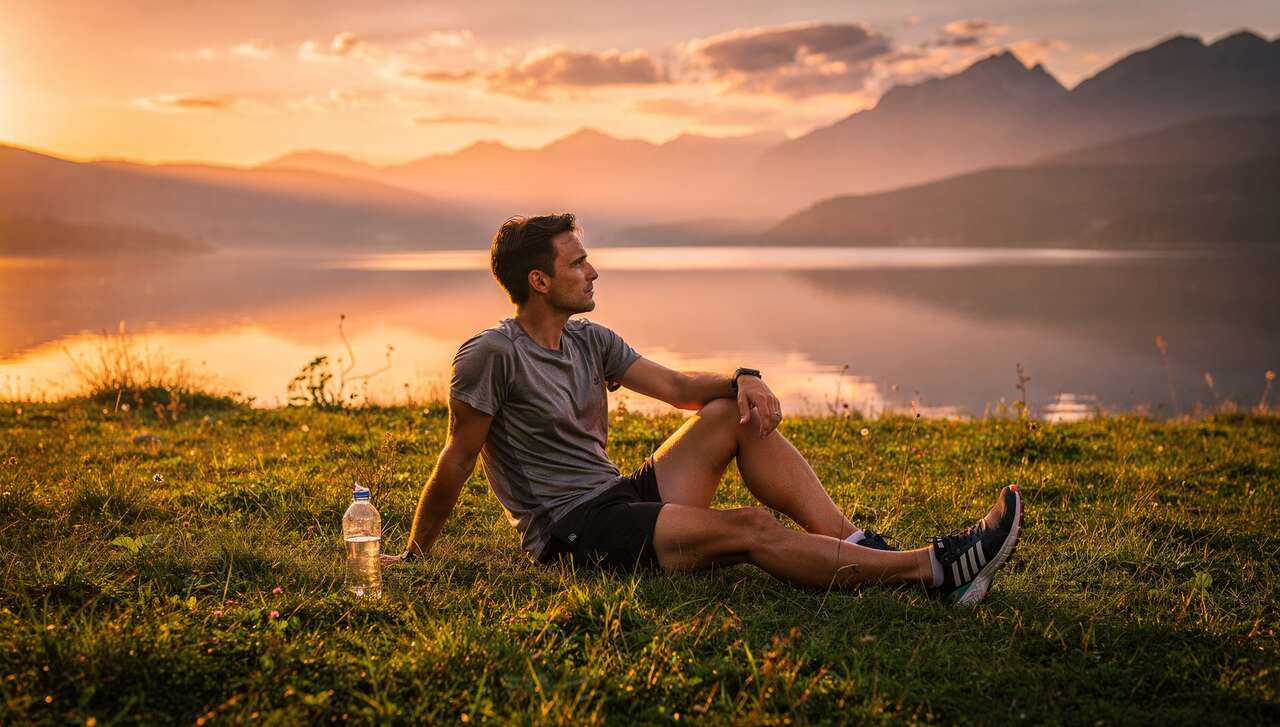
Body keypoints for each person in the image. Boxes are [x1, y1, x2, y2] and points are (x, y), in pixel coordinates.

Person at [383, 213, 1023, 605]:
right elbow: (457, 460)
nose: (594, 271)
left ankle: (858, 544)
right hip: (570, 534)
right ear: (539, 281)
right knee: (748, 529)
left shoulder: (589, 339)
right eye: (578, 263)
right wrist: (415, 555)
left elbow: (681, 388)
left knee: (726, 414)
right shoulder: (492, 355)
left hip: (614, 498)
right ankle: (933, 568)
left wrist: (743, 377)